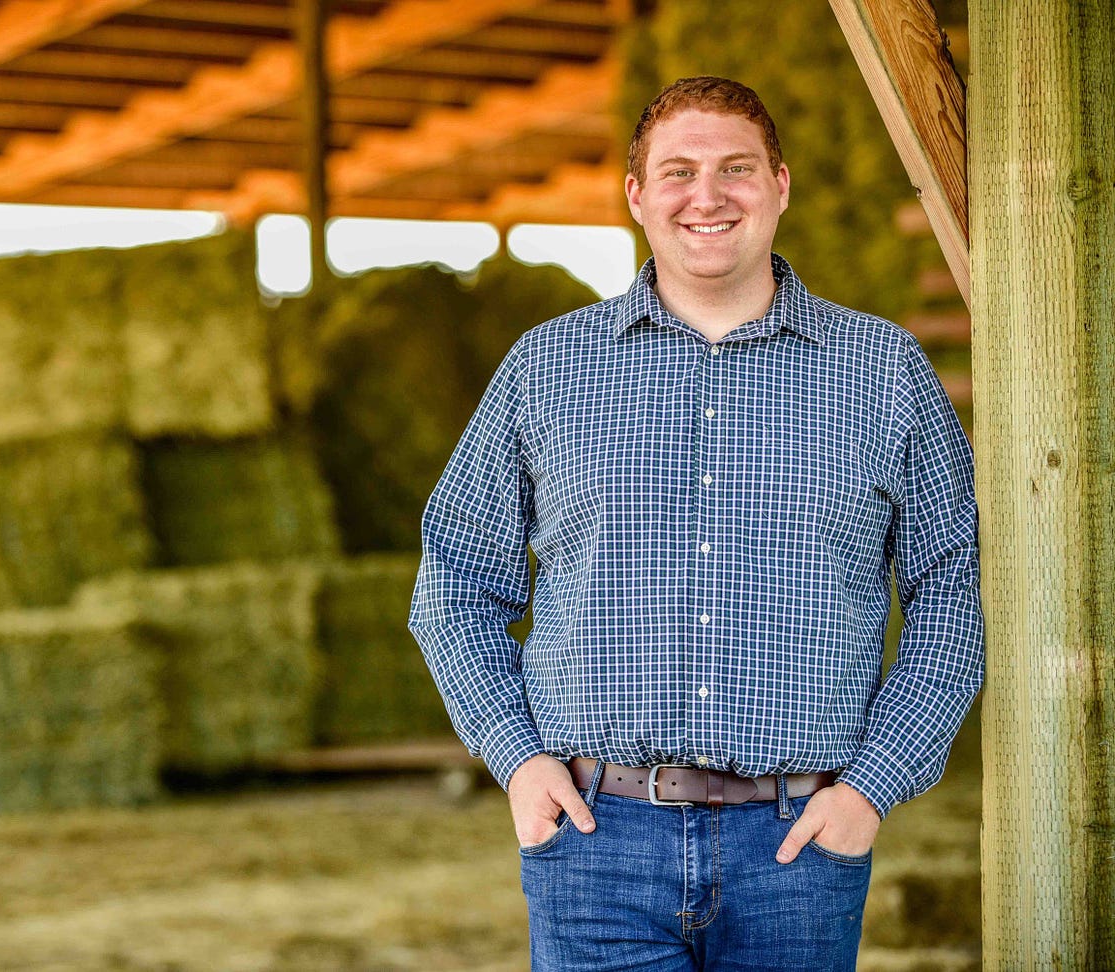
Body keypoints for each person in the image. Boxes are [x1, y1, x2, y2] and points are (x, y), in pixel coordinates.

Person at [408, 76, 984, 971]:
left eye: (736, 169)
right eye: (677, 171)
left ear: (781, 185)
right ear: (636, 196)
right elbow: (453, 580)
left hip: (801, 848)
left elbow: (955, 581)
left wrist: (872, 787)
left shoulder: (884, 371)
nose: (707, 196)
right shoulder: (547, 369)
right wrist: (519, 763)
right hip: (598, 846)